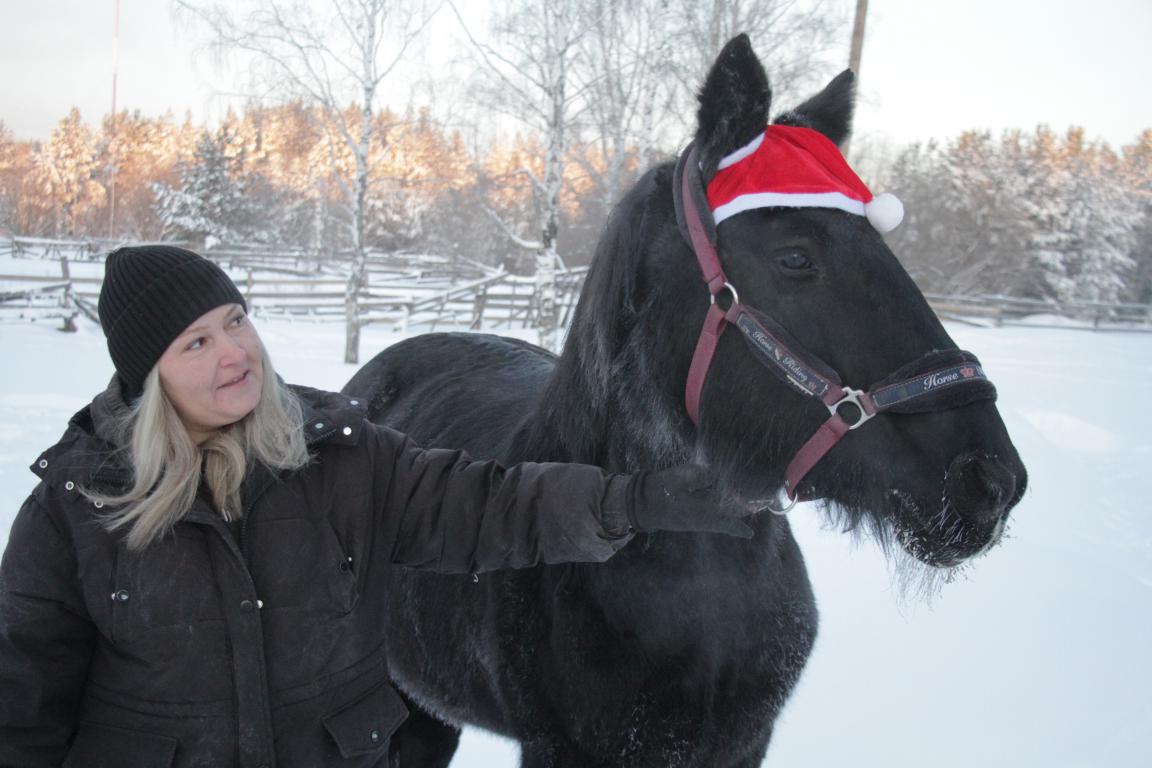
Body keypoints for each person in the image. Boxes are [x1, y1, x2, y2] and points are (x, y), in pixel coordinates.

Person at [0, 245, 756, 767]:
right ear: (148, 378)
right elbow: (24, 703)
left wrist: (631, 501)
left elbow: (487, 504)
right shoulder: (75, 510)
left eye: (235, 321)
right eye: (195, 343)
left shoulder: (335, 456)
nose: (236, 352)